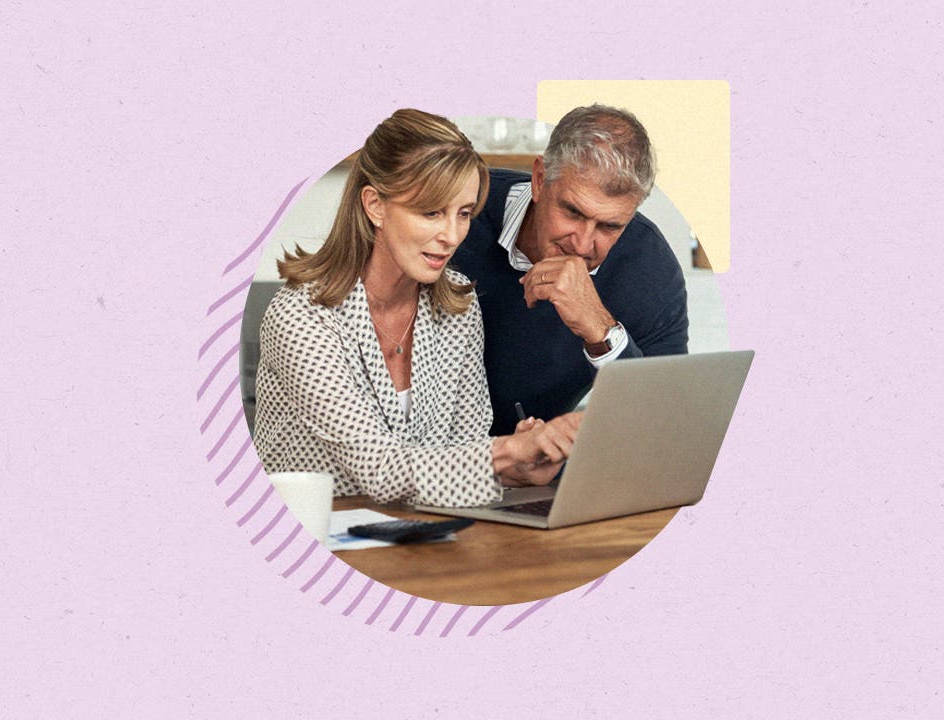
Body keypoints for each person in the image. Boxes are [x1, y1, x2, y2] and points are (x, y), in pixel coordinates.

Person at [252, 109, 579, 508]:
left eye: (463, 213)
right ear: (375, 206)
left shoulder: (458, 304)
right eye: (431, 212)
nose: (452, 235)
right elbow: (380, 470)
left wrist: (517, 470)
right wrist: (509, 451)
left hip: (425, 539)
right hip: (311, 542)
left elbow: (463, 451)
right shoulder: (301, 316)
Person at [453, 105, 690, 436]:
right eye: (572, 212)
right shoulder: (459, 213)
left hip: (539, 475)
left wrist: (601, 331)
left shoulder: (649, 266)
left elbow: (664, 426)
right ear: (539, 180)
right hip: (425, 463)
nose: (582, 244)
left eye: (609, 226)